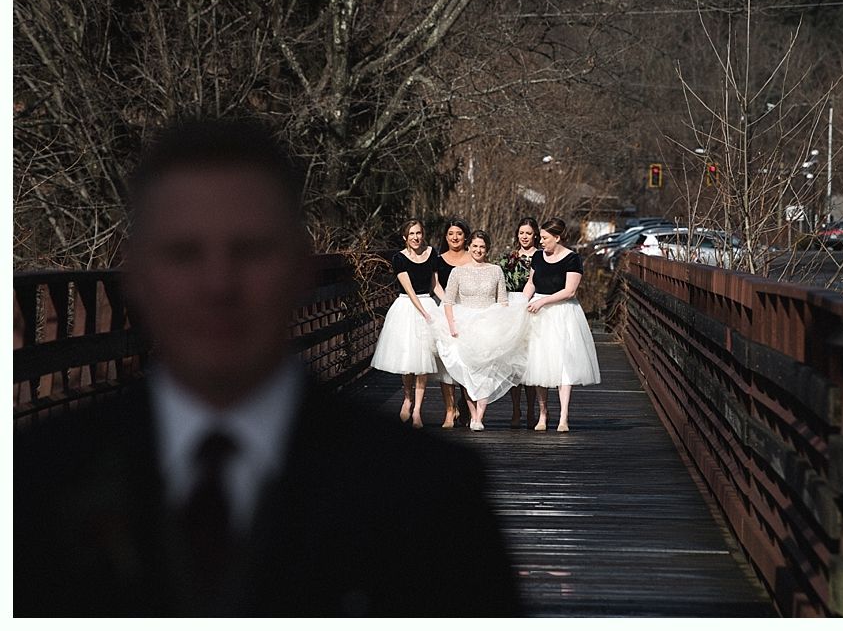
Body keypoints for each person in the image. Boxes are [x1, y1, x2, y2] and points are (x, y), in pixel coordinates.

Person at [13, 118, 520, 617]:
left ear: (300, 268)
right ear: (137, 274)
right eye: (183, 253)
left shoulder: (429, 496)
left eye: (250, 251)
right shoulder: (35, 487)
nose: (218, 284)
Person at [436, 231, 529, 432]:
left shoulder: (495, 270)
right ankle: (472, 412)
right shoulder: (458, 271)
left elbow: (503, 300)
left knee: (487, 370)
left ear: (487, 249)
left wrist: (503, 325)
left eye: (482, 247)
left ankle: (479, 416)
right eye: (475, 246)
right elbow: (448, 300)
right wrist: (452, 324)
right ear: (469, 247)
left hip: (488, 320)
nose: (478, 250)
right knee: (468, 371)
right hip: (463, 321)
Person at [521, 218, 601, 432]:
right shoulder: (538, 256)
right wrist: (523, 301)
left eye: (545, 238)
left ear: (557, 237)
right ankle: (543, 414)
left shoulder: (572, 259)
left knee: (564, 363)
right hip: (538, 311)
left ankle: (564, 416)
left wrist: (543, 301)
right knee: (539, 363)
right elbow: (531, 282)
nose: (541, 242)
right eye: (540, 238)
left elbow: (570, 291)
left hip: (562, 312)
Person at [370, 219, 445, 430]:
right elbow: (409, 290)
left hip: (428, 304)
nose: (416, 237)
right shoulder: (399, 259)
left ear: (423, 234)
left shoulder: (432, 254)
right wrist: (423, 312)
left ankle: (418, 410)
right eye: (411, 234)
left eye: (419, 233)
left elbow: (435, 284)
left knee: (424, 360)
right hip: (408, 307)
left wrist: (449, 304)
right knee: (408, 359)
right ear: (405, 237)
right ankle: (407, 398)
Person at [497, 217, 540, 428]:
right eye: (521, 233)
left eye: (528, 233)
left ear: (535, 235)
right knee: (514, 363)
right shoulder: (508, 258)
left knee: (530, 363)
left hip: (533, 308)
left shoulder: (541, 257)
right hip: (512, 309)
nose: (524, 236)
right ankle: (516, 410)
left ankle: (532, 410)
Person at [434, 218, 473, 428]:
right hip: (446, 311)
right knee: (446, 362)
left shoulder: (472, 257)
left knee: (467, 362)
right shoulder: (439, 260)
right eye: (450, 234)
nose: (455, 237)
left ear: (465, 236)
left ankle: (467, 406)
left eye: (459, 233)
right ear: (446, 237)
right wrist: (448, 301)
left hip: (469, 312)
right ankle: (450, 410)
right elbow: (436, 285)